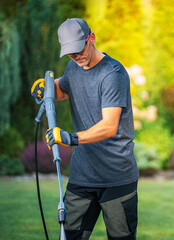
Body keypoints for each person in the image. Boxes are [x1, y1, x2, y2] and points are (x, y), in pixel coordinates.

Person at [31, 18, 139, 240]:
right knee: (69, 236)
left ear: (91, 38)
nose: (76, 56)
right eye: (70, 53)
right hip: (83, 176)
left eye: (78, 50)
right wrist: (46, 88)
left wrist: (70, 138)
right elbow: (63, 89)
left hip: (116, 176)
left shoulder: (113, 74)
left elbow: (109, 126)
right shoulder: (74, 66)